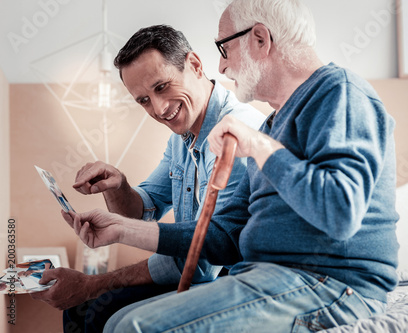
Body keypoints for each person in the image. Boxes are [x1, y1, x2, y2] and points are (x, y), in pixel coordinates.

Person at [62, 0, 399, 331]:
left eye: (224, 49)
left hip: (330, 282)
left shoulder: (339, 93)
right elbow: (224, 236)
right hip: (269, 276)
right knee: (119, 322)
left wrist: (258, 146)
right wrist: (121, 228)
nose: (221, 68)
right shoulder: (272, 126)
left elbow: (341, 212)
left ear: (260, 40)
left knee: (132, 326)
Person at [31, 24, 265, 333]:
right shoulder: (181, 140)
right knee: (81, 311)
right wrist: (119, 186)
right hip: (197, 269)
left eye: (162, 86)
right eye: (143, 100)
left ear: (195, 65)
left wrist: (94, 284)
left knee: (101, 315)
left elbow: (206, 260)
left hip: (230, 277)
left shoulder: (236, 132)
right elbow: (143, 209)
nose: (158, 109)